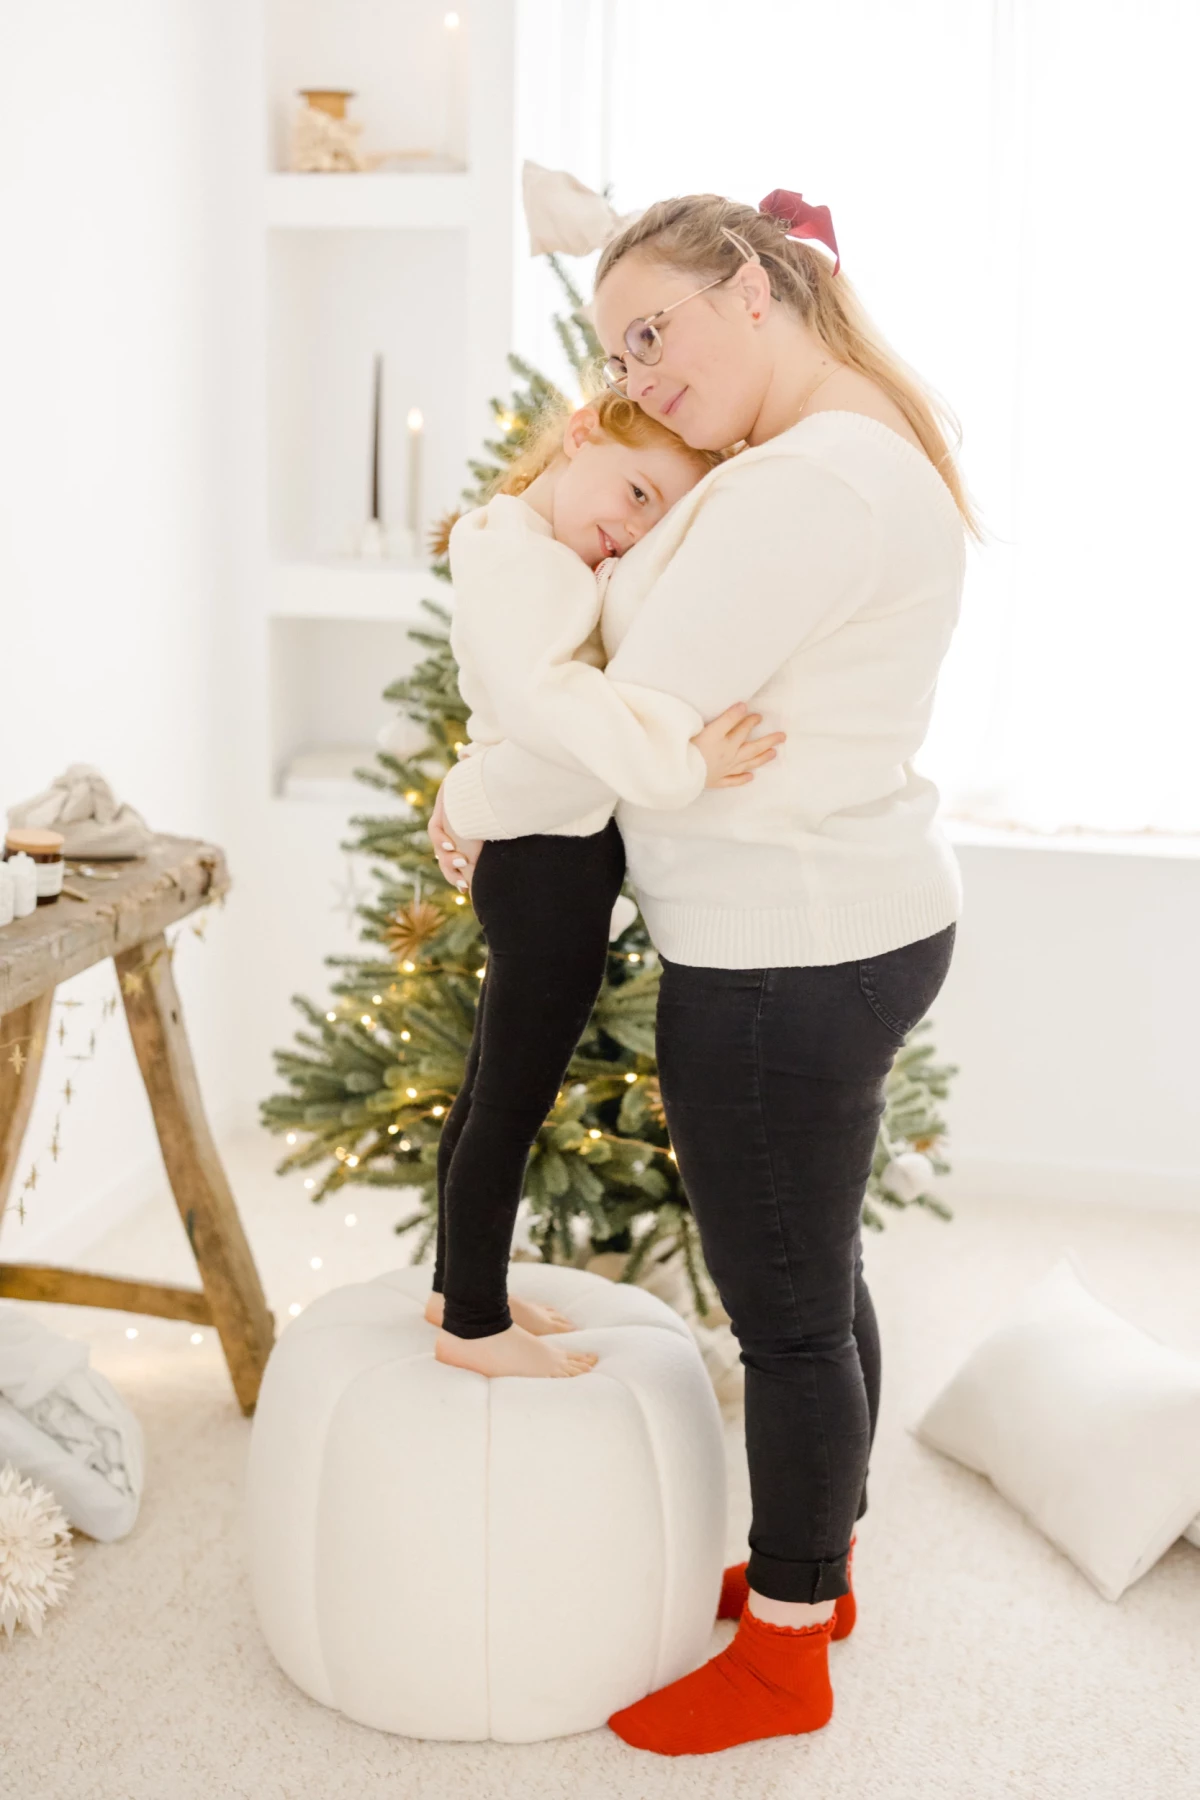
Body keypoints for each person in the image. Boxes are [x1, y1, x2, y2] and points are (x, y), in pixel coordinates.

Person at [431, 187, 980, 1756]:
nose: (641, 379)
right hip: (845, 914)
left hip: (778, 952)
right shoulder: (840, 450)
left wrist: (473, 796)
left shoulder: (806, 487)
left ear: (751, 286)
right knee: (824, 1278)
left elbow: (618, 713)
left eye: (654, 332)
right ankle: (828, 1566)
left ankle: (790, 1648)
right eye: (618, 353)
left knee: (788, 1317)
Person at [425, 388, 785, 1381]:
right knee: (510, 1099)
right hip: (544, 861)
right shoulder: (526, 567)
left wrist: (467, 796)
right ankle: (475, 1327)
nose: (627, 530)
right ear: (582, 429)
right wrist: (687, 762)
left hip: (541, 854)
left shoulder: (521, 549)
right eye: (634, 491)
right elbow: (560, 721)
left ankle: (459, 1286)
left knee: (490, 1088)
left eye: (652, 520)